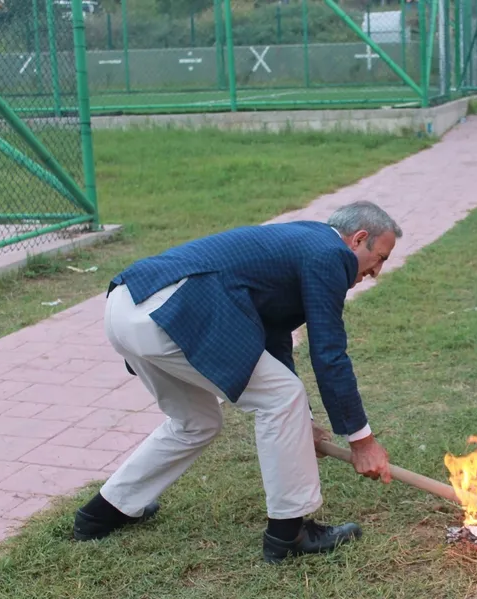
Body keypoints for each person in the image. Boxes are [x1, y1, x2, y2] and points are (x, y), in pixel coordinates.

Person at [72, 201, 402, 564]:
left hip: (127, 305)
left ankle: (102, 513)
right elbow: (329, 353)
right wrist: (362, 440)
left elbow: (272, 336)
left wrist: (303, 423)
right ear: (358, 239)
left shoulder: (305, 240)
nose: (376, 271)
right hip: (176, 311)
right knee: (281, 398)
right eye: (380, 257)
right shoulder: (330, 255)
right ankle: (289, 533)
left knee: (196, 422)